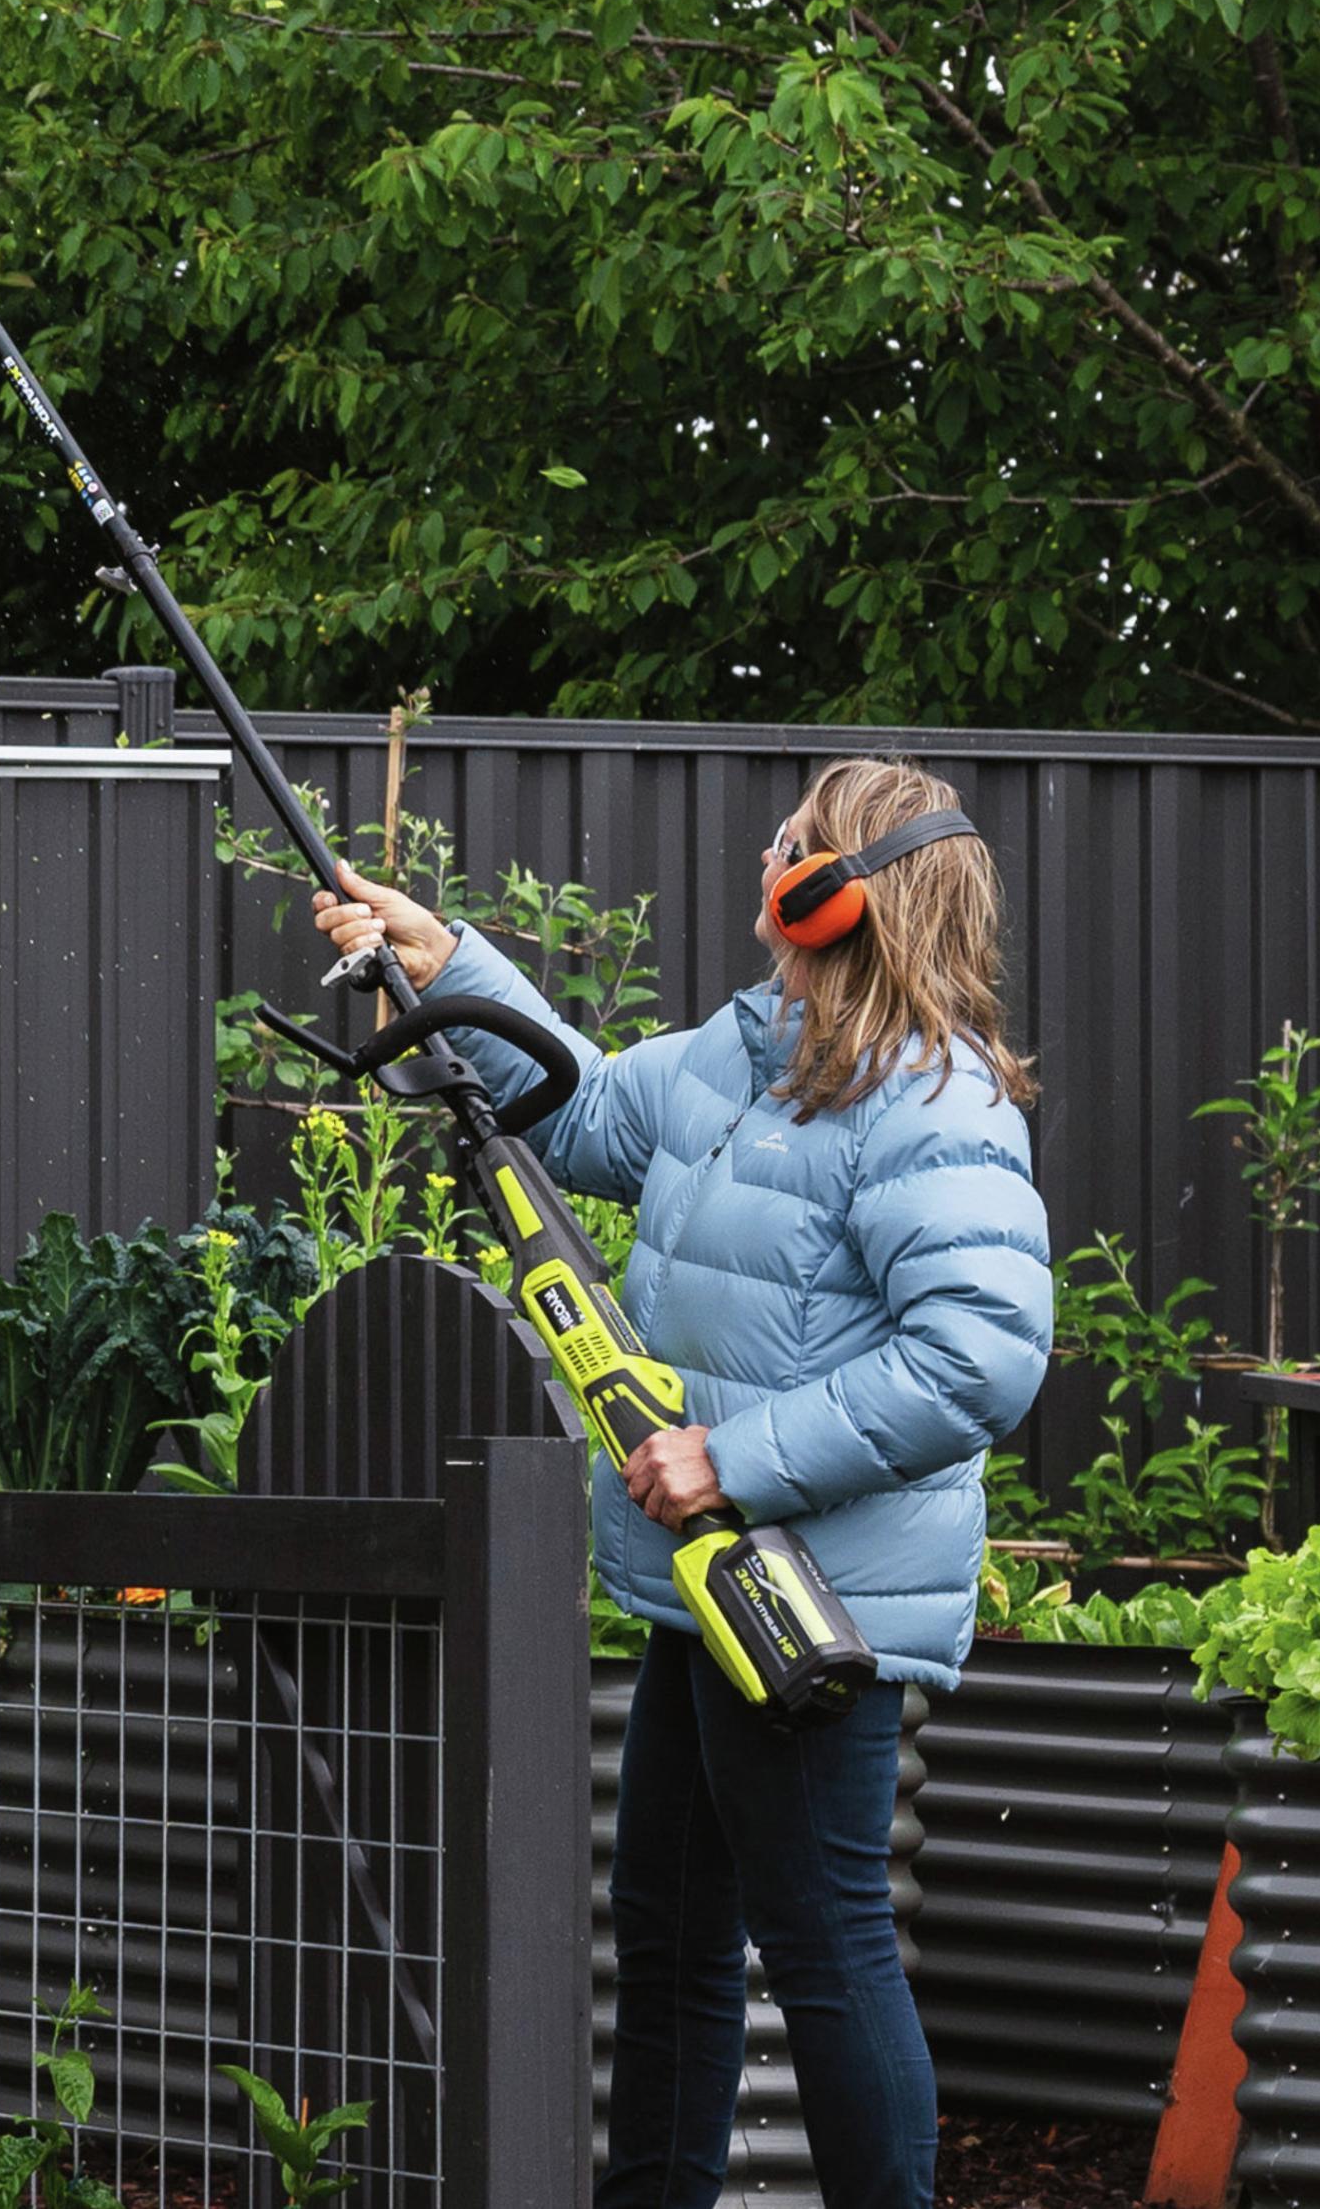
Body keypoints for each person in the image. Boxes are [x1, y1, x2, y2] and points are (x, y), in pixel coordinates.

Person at [312, 755, 1050, 2209]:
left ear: (838, 890)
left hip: (805, 1592)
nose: (767, 852)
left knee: (824, 1935)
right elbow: (580, 1116)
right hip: (698, 1582)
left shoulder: (933, 1098)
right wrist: (443, 959)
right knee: (669, 1926)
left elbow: (979, 1358)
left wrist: (737, 1455)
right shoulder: (752, 1046)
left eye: (796, 839)